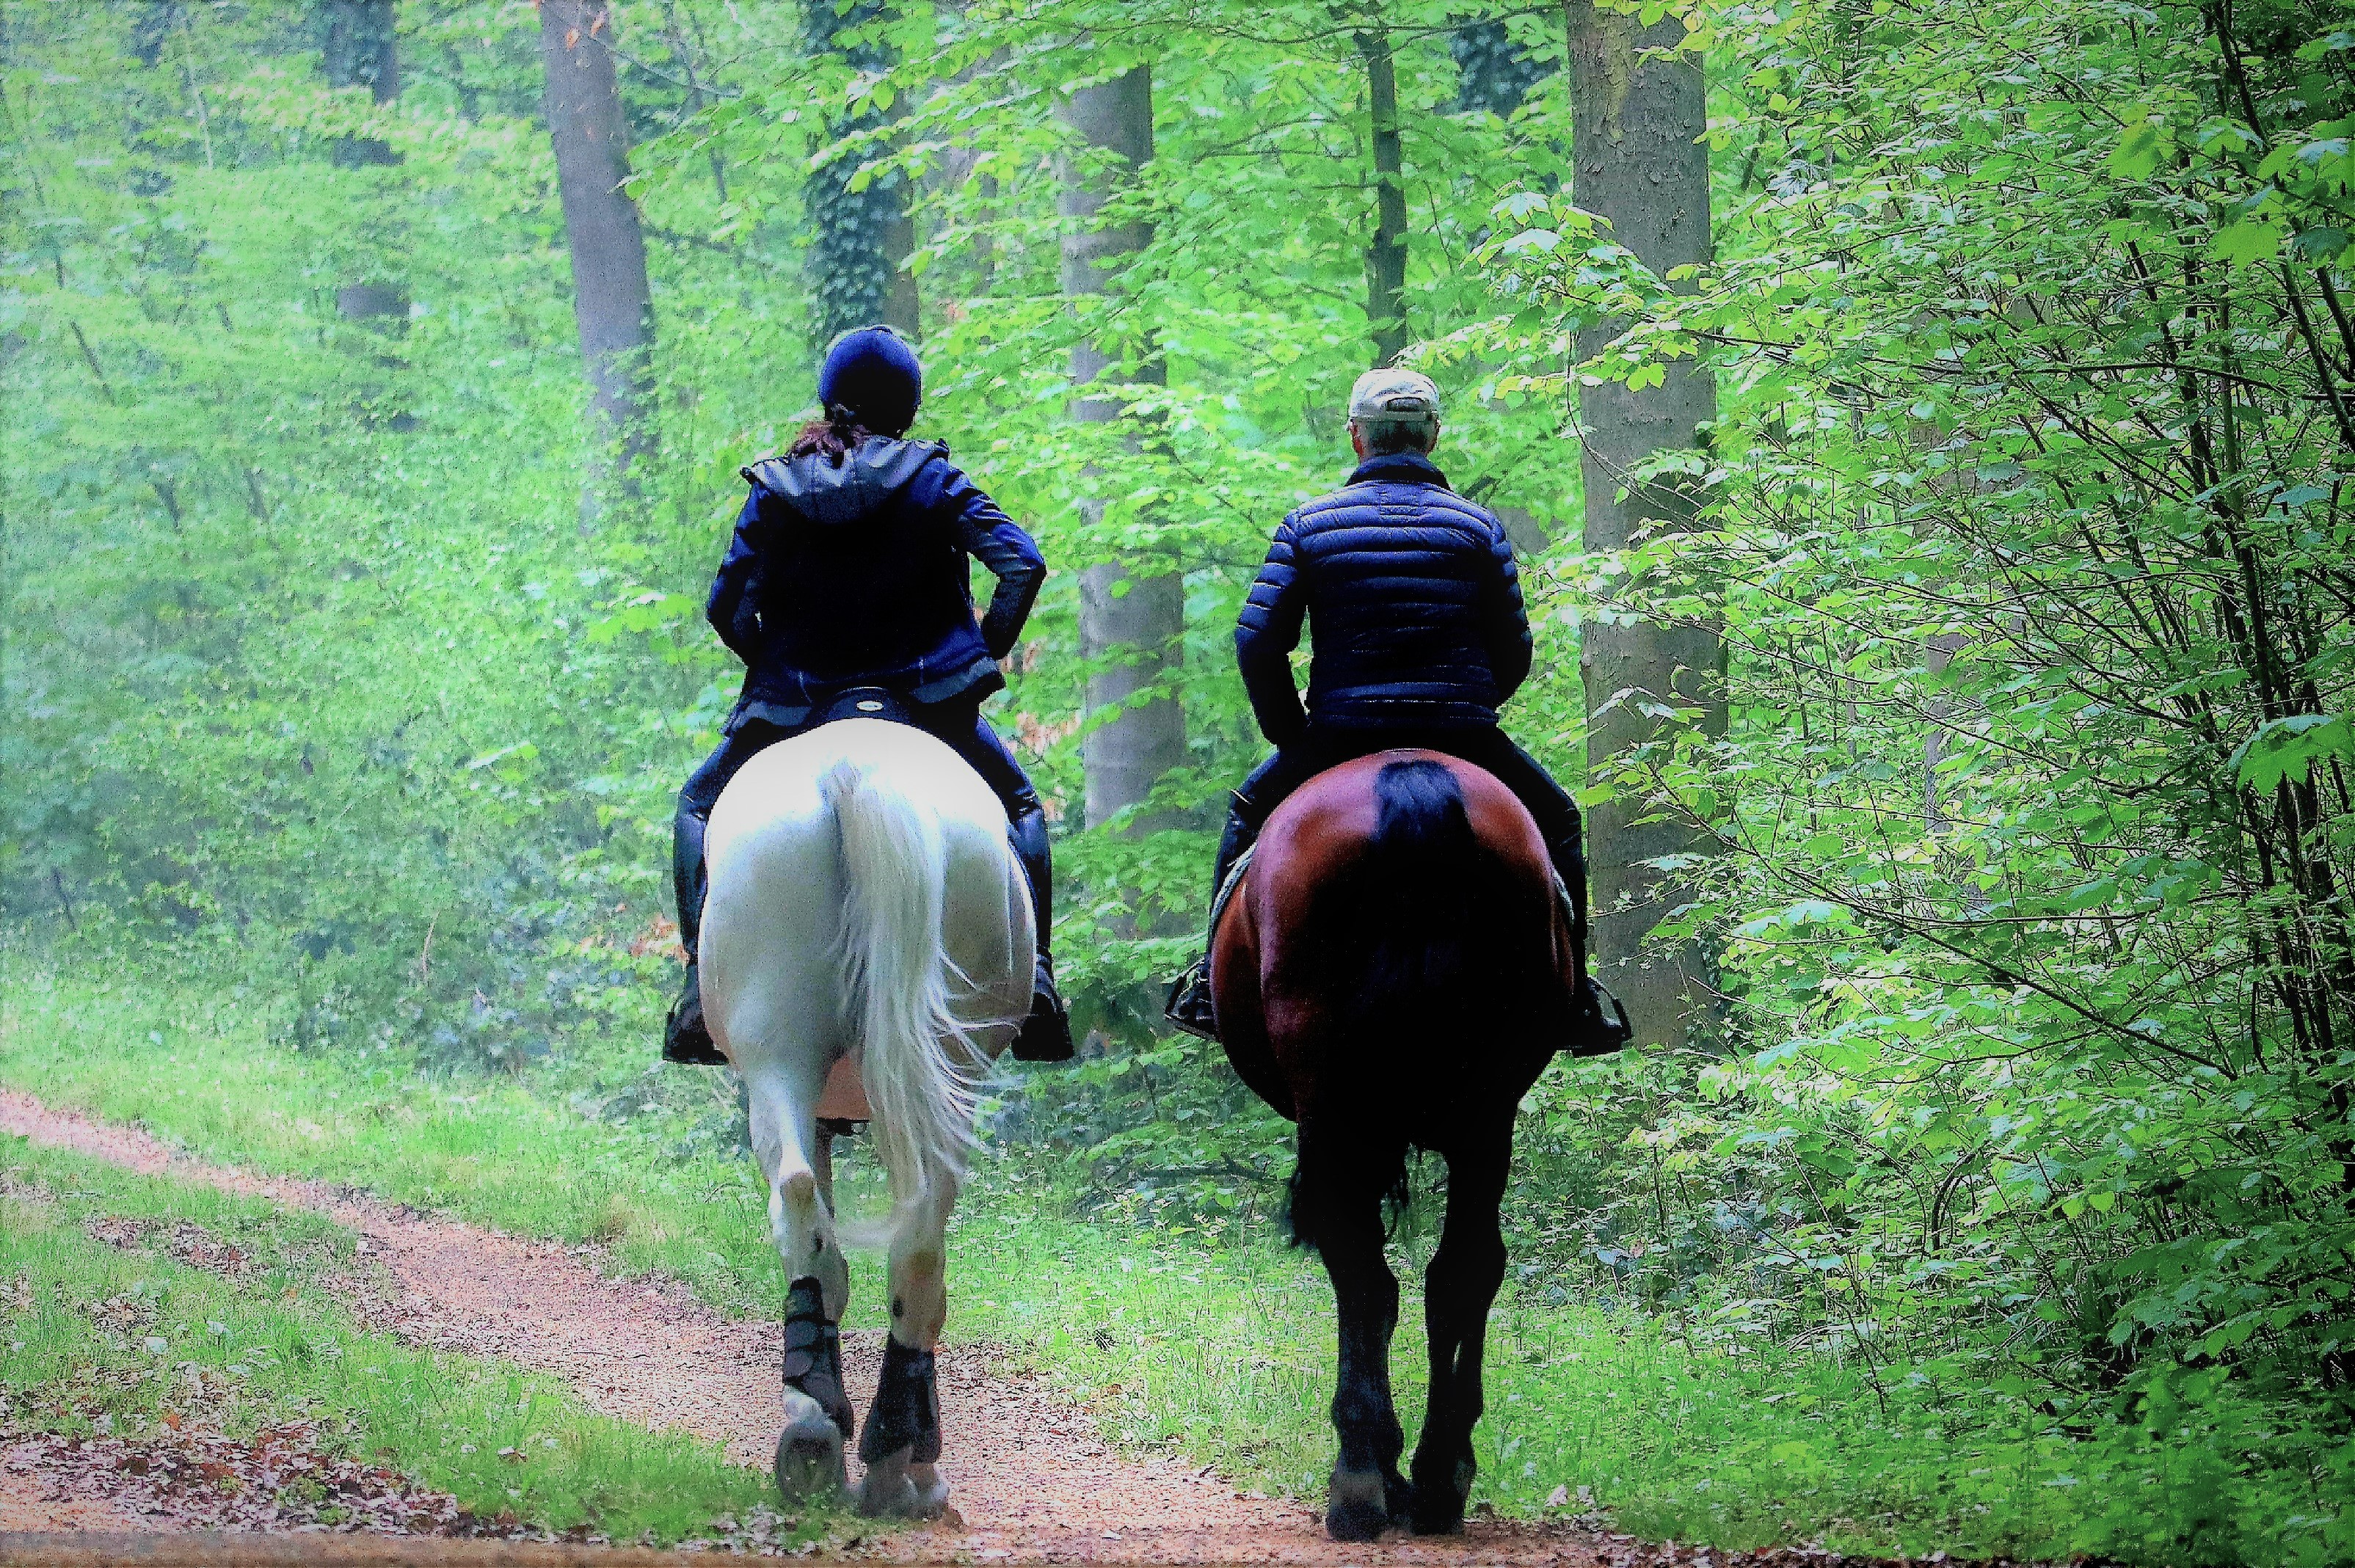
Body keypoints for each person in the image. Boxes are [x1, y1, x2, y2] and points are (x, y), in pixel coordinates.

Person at [666, 325, 1072, 1065]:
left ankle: (698, 988)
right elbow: (1022, 563)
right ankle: (1038, 981)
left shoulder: (777, 488)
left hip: (797, 704)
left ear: (830, 398)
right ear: (906, 406)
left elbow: (725, 607)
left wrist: (773, 664)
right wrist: (980, 653)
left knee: (697, 806)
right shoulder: (934, 479)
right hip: (927, 704)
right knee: (1019, 808)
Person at [1167, 367, 1590, 1039]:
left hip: (1340, 733)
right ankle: (1579, 999)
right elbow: (1513, 649)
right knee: (1560, 820)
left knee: (1247, 813)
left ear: (1356, 437)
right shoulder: (1478, 527)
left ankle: (1206, 991)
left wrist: (1292, 735)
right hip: (1461, 734)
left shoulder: (1308, 525)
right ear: (1432, 437)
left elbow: (1256, 641)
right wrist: (1470, 708)